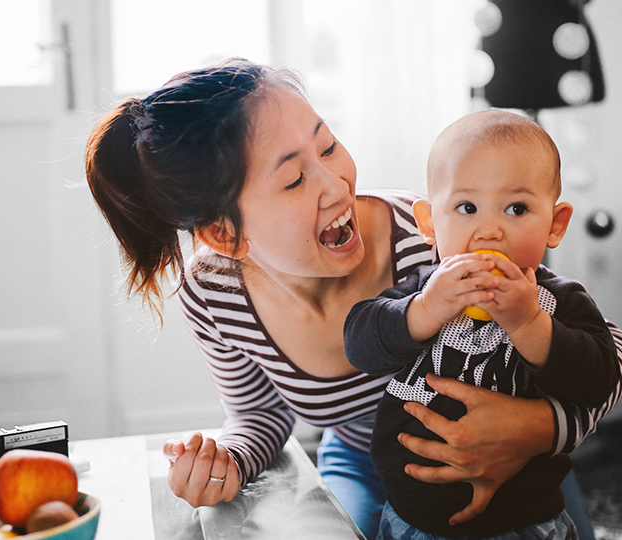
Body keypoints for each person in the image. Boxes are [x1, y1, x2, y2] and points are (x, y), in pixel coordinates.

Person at [84, 59, 622, 540]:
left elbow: (602, 358)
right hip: (366, 460)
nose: (336, 184)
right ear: (225, 236)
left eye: (328, 145)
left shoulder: (437, 238)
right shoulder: (215, 293)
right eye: (295, 179)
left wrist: (533, 433)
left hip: (522, 468)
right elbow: (257, 416)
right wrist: (227, 463)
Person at [344, 109, 620, 539]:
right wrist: (425, 310)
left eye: (517, 208)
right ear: (430, 223)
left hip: (525, 519)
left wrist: (529, 322)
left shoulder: (561, 301)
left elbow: (598, 380)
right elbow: (359, 343)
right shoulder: (422, 290)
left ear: (555, 224)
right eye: (467, 207)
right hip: (410, 516)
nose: (489, 230)